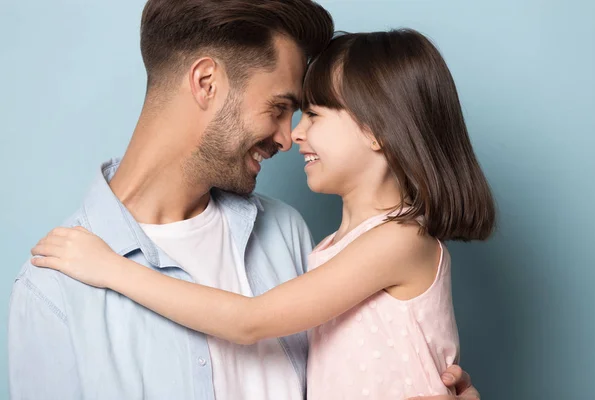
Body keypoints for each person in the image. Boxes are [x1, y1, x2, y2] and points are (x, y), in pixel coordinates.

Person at [30, 28, 491, 399]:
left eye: (313, 114)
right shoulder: (330, 247)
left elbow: (250, 321)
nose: (295, 136)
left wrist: (113, 267)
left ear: (377, 131)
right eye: (291, 112)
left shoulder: (397, 240)